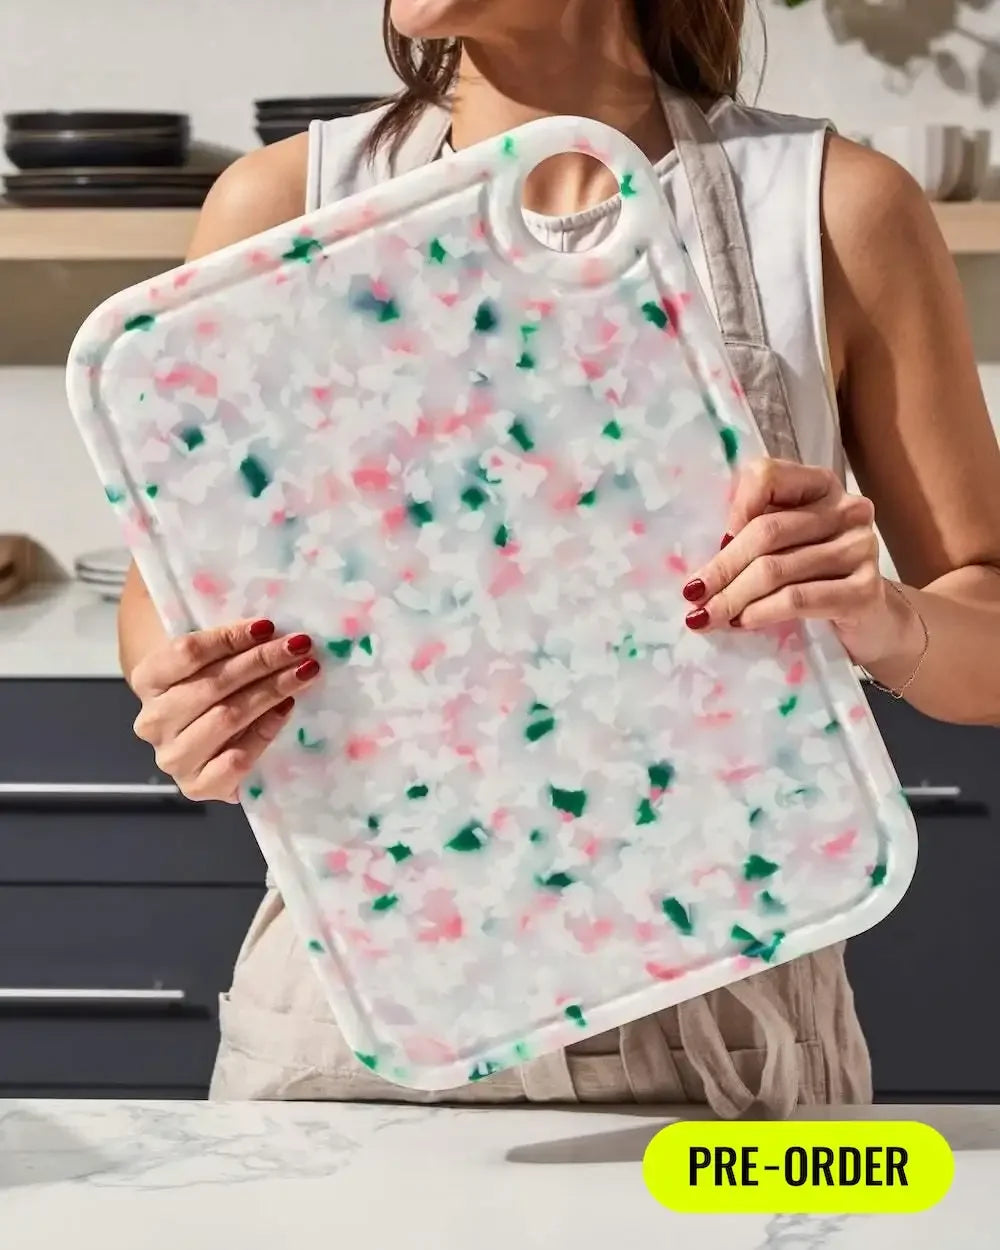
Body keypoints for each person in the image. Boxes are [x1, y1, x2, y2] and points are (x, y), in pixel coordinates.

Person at [118, 0, 1000, 1116]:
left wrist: (887, 617)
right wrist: (198, 694)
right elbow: (165, 596)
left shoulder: (830, 207)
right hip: (351, 1028)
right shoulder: (283, 208)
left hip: (724, 1038)